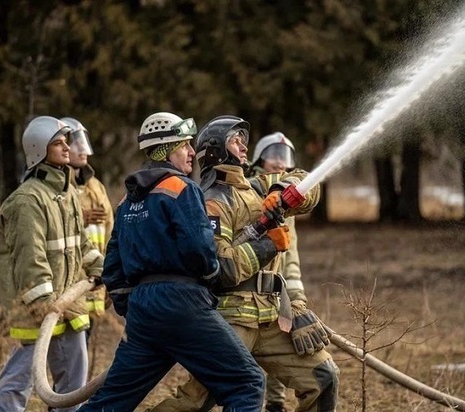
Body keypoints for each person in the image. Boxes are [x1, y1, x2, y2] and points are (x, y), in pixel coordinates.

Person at [78, 112, 265, 412]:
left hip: (143, 312)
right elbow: (200, 250)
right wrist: (212, 275)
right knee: (247, 383)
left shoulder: (128, 201)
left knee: (110, 402)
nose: (192, 152)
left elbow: (113, 267)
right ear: (166, 149)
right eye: (184, 146)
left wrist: (134, 308)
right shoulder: (183, 189)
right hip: (183, 304)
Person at [150, 116, 339, 412]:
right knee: (196, 401)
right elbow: (221, 269)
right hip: (231, 321)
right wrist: (268, 245)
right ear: (215, 151)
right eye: (235, 140)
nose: (243, 146)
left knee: (323, 377)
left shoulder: (259, 187)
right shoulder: (211, 203)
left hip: (272, 317)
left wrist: (281, 190)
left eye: (243, 140)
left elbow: (306, 180)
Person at [0, 116, 104, 412]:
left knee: (74, 387)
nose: (67, 147)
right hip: (38, 308)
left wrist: (99, 267)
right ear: (39, 149)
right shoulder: (28, 201)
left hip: (68, 305)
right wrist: (46, 305)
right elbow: (31, 258)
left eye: (66, 141)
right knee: (21, 380)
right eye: (58, 142)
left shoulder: (65, 193)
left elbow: (80, 243)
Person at [248, 132, 307, 412]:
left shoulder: (286, 202)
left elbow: (290, 256)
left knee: (281, 346)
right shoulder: (245, 192)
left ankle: (275, 404)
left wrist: (296, 300)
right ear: (259, 160)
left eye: (285, 158)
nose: (279, 163)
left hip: (275, 290)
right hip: (244, 295)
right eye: (273, 155)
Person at [60, 117, 114, 322]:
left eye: (83, 142)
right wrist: (79, 218)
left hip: (95, 280)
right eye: (75, 143)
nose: (82, 149)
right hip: (70, 283)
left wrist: (110, 274)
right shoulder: (59, 187)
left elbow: (110, 232)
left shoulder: (97, 187)